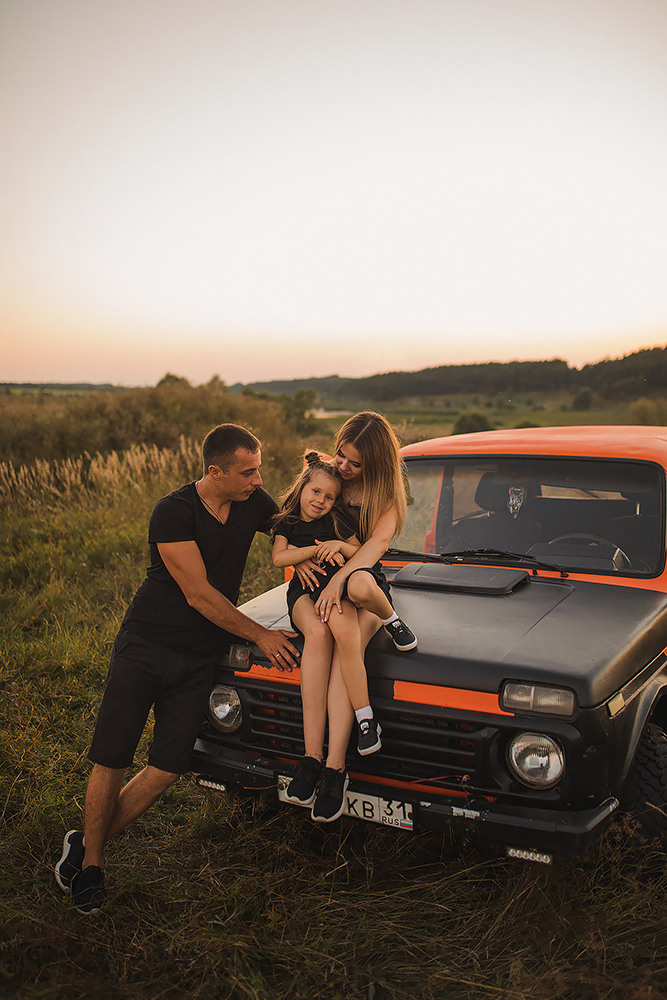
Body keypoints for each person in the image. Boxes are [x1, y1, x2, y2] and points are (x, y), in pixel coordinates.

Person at [55, 423, 300, 915]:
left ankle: (82, 840)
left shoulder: (252, 501)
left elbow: (294, 525)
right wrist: (261, 634)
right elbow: (199, 594)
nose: (258, 479)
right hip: (146, 646)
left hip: (198, 659)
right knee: (113, 757)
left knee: (168, 766)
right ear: (215, 471)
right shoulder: (173, 511)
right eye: (248, 471)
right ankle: (93, 866)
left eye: (260, 469)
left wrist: (326, 548)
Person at [293, 412, 417, 822]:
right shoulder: (329, 478)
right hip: (322, 581)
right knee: (322, 640)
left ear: (376, 464)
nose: (343, 467)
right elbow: (295, 520)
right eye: (341, 455)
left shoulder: (387, 499)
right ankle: (312, 760)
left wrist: (336, 583)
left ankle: (335, 769)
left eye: (354, 463)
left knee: (347, 648)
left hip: (363, 582)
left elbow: (369, 552)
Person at [271, 452, 367, 806]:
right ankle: (311, 756)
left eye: (328, 497)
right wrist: (305, 557)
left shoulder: (338, 518)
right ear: (302, 487)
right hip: (302, 593)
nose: (320, 501)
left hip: (332, 588)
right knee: (317, 632)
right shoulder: (287, 521)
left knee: (338, 637)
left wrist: (337, 546)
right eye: (315, 492)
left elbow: (359, 549)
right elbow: (279, 558)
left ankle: (332, 764)